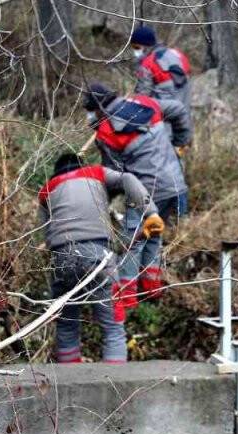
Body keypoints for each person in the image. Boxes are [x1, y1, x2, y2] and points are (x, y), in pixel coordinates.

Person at [38, 152, 163, 363]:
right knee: (113, 327)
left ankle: (70, 389)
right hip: (99, 257)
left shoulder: (47, 190)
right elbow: (128, 179)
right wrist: (150, 213)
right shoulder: (95, 172)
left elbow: (45, 231)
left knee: (67, 325)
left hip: (60, 259)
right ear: (80, 165)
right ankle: (115, 386)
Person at [81, 81, 191, 311]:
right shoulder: (145, 102)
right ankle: (152, 288)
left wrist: (103, 200)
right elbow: (180, 110)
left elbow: (117, 174)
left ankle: (126, 298)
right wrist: (180, 142)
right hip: (176, 185)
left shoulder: (105, 132)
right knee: (155, 231)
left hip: (145, 191)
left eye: (90, 110)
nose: (90, 115)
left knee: (133, 242)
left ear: (98, 108)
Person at [129, 25, 192, 110]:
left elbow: (142, 96)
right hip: (184, 109)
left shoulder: (148, 63)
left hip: (164, 113)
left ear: (145, 46)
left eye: (136, 47)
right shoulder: (178, 54)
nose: (135, 51)